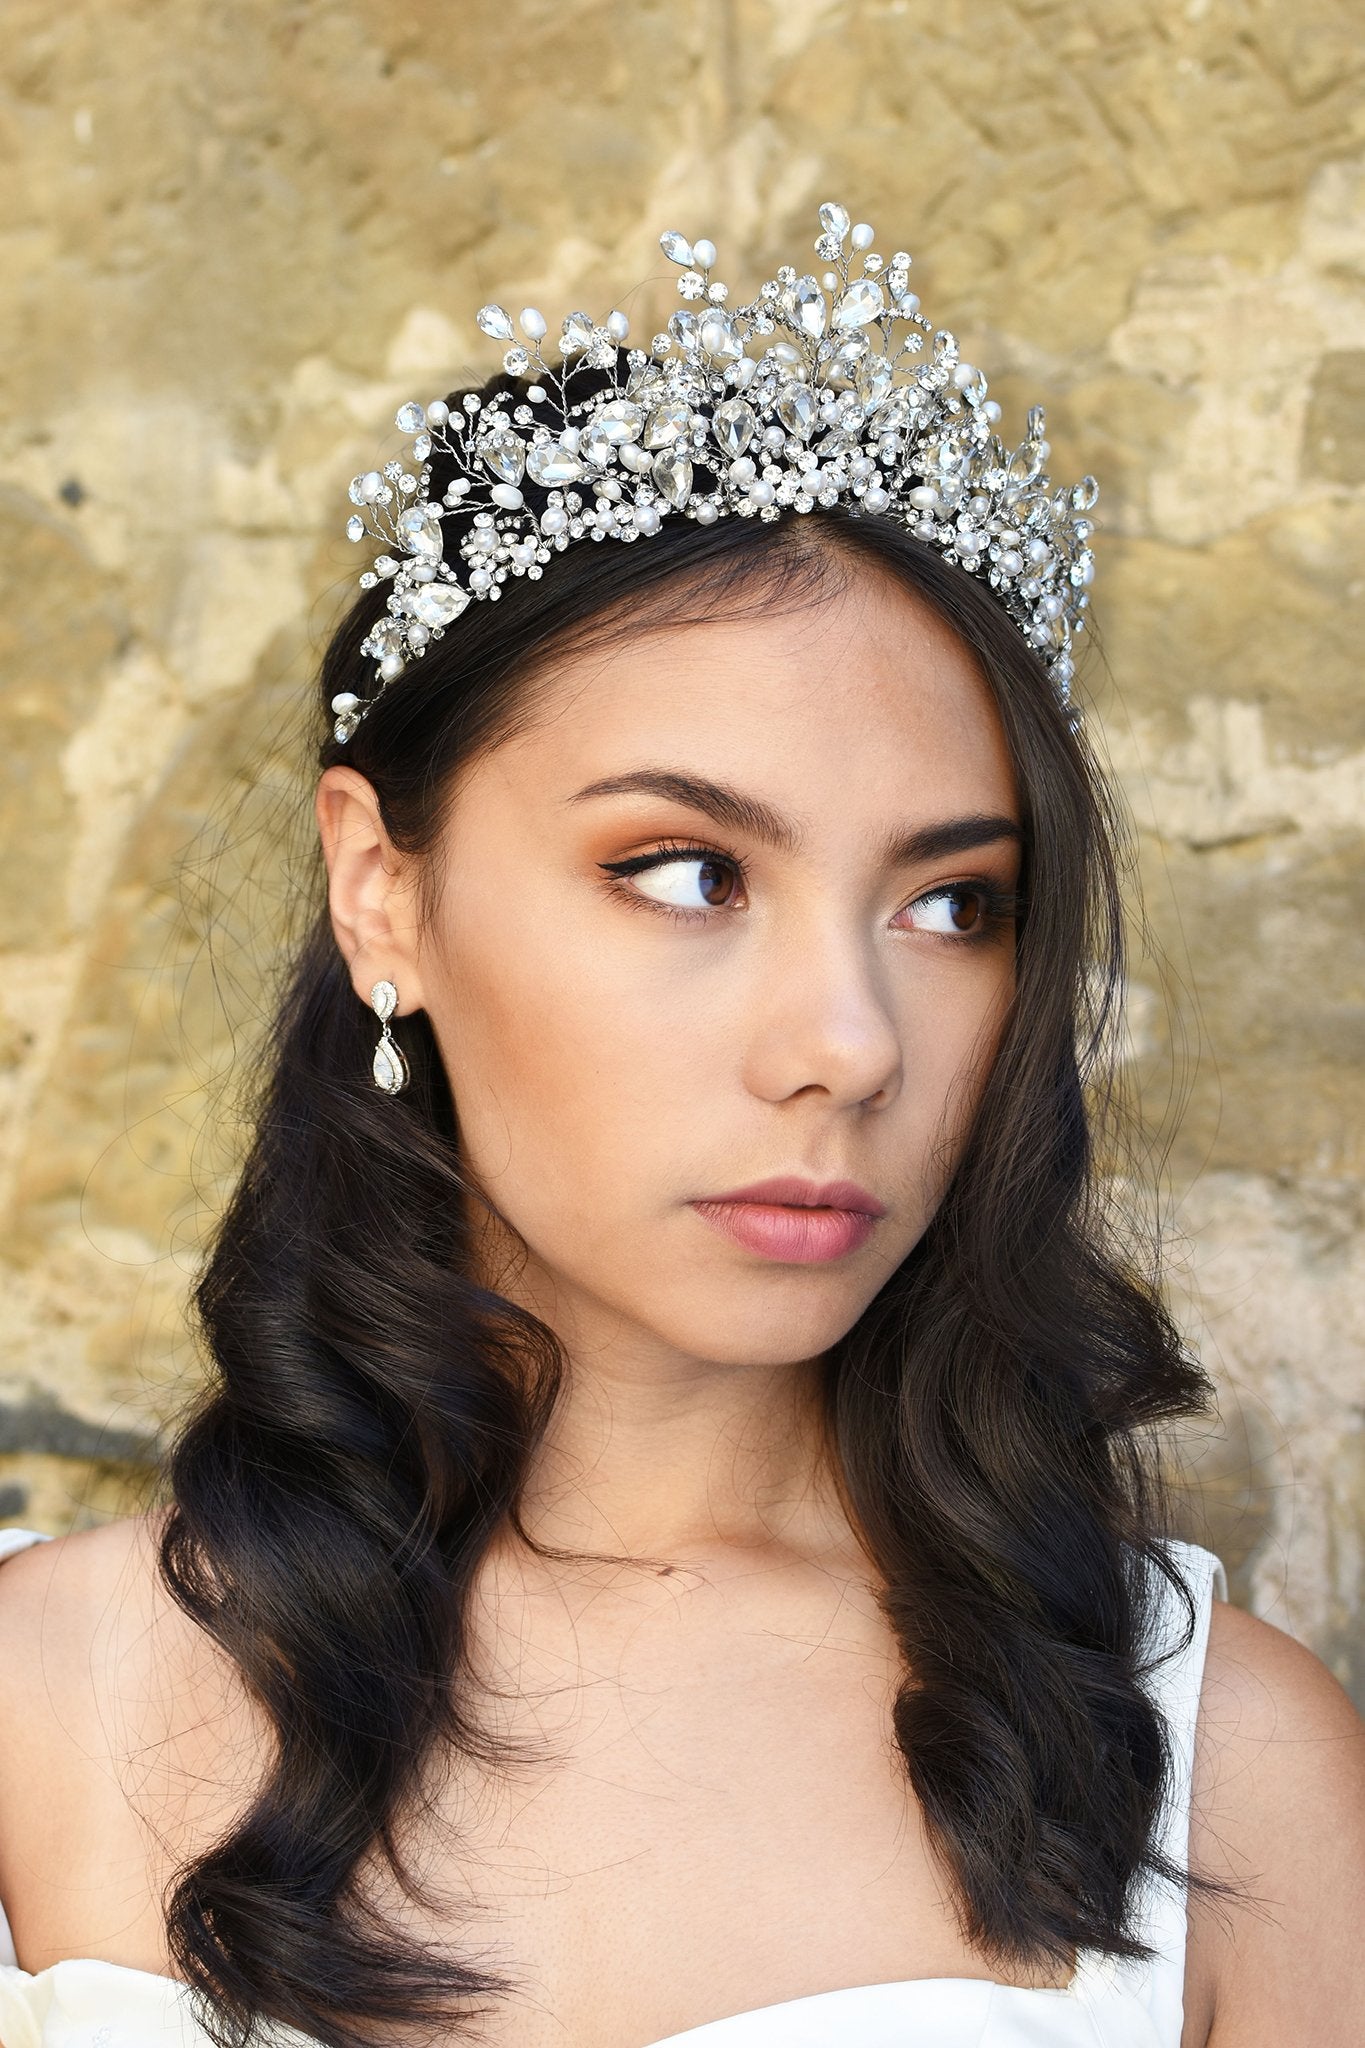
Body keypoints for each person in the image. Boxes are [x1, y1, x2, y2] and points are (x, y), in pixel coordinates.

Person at [0, 204, 1361, 2048]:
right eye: (684, 870)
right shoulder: (37, 1701)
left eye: (954, 904)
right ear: (381, 889)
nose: (845, 1043)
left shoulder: (1228, 1770)